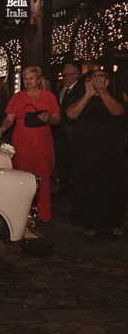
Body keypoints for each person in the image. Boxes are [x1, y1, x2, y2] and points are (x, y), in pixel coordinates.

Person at [66, 68, 127, 237]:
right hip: (86, 150)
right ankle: (89, 223)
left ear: (107, 81)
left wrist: (102, 92)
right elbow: (70, 114)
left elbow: (118, 111)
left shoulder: (116, 94)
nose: (97, 80)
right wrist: (87, 95)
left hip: (111, 150)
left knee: (112, 185)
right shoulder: (81, 95)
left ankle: (114, 222)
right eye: (94, 77)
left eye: (101, 77)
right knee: (88, 185)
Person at [0, 66, 60, 221]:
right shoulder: (17, 97)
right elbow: (9, 118)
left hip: (42, 142)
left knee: (43, 176)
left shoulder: (49, 96)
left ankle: (42, 213)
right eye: (25, 78)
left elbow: (57, 118)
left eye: (31, 78)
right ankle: (21, 212)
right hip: (22, 142)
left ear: (38, 80)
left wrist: (49, 118)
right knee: (22, 175)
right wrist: (4, 126)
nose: (28, 81)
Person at [52, 61, 84, 196]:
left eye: (70, 74)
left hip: (74, 131)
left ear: (77, 75)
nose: (66, 77)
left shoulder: (81, 90)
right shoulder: (60, 90)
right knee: (62, 161)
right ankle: (65, 187)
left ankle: (75, 189)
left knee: (74, 162)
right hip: (60, 132)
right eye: (64, 75)